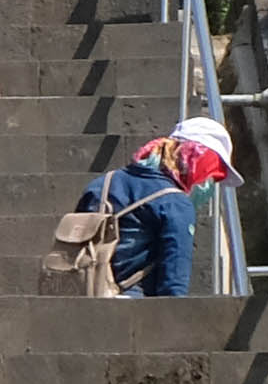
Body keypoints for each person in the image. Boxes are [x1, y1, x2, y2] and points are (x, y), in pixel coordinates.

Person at [72, 116, 236, 297]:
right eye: (214, 175)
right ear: (199, 163)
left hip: (80, 299)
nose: (211, 184)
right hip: (133, 306)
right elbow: (174, 284)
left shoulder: (101, 184)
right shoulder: (175, 204)